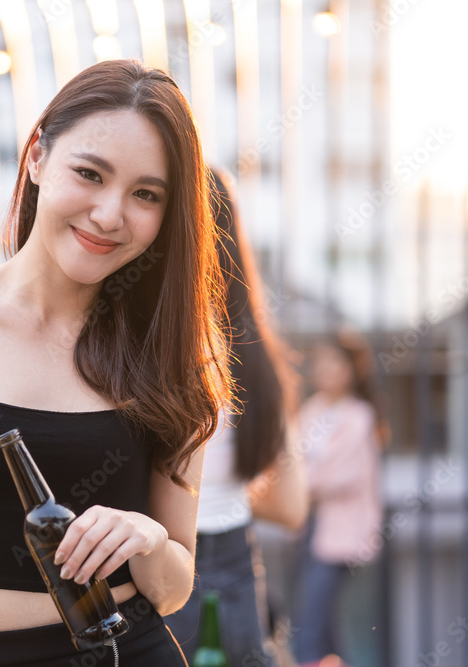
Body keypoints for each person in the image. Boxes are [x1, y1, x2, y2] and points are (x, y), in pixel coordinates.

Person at [0, 59, 233, 666]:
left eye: (145, 194)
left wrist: (149, 539)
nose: (110, 214)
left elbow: (172, 588)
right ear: (36, 157)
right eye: (89, 173)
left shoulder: (168, 352)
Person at [163, 169, 308, 665]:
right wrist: (225, 490)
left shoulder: (141, 350)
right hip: (240, 572)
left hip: (159, 570)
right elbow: (290, 506)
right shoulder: (255, 358)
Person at [292, 333, 385, 667]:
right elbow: (293, 459)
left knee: (327, 628)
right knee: (318, 625)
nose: (326, 369)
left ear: (352, 370)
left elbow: (338, 475)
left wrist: (299, 482)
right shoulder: (313, 408)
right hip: (312, 528)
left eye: (336, 362)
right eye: (322, 361)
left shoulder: (359, 416)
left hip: (346, 539)